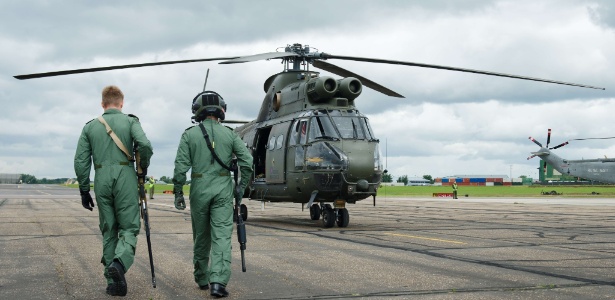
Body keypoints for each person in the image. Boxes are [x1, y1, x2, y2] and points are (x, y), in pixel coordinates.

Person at [74, 85, 153, 297]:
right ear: (122, 103)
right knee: (128, 227)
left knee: (109, 230)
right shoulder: (130, 121)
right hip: (125, 176)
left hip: (101, 178)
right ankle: (119, 264)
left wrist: (84, 189)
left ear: (102, 104)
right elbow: (144, 145)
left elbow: (81, 161)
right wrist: (142, 168)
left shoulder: (90, 127)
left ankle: (112, 283)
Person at [172, 91, 253, 298]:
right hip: (223, 189)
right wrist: (240, 188)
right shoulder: (230, 134)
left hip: (199, 186)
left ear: (197, 111)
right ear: (221, 110)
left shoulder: (189, 134)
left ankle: (201, 278)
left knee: (201, 235)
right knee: (222, 236)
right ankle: (218, 282)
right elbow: (247, 162)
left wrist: (179, 192)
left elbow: (180, 168)